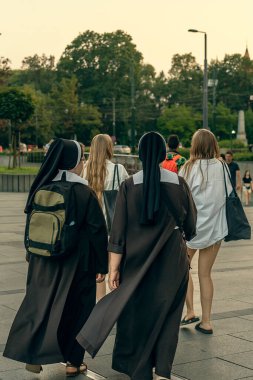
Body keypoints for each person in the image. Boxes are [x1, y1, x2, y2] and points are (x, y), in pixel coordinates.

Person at [77, 132, 197, 380]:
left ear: (140, 154)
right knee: (168, 318)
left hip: (135, 262)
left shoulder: (129, 186)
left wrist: (114, 269)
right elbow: (192, 226)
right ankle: (163, 371)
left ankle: (139, 370)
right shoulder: (179, 183)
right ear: (164, 154)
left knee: (136, 315)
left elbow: (118, 234)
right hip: (173, 262)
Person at [3, 138, 108, 377]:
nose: (83, 163)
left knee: (39, 305)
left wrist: (32, 255)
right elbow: (97, 231)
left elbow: (31, 225)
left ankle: (33, 353)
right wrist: (101, 265)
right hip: (78, 263)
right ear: (71, 162)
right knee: (78, 310)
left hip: (43, 261)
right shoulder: (83, 191)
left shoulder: (42, 186)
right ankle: (73, 361)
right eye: (81, 158)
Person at [180, 129, 232, 334]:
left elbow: (180, 197)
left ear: (195, 146)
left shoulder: (188, 167)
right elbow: (228, 195)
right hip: (215, 229)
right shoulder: (222, 167)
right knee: (205, 275)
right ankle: (207, 321)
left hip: (190, 230)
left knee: (183, 270)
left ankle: (191, 310)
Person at [83, 134, 129, 301]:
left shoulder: (85, 169)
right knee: (115, 270)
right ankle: (114, 310)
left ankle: (98, 311)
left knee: (98, 272)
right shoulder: (119, 170)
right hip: (114, 229)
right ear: (110, 148)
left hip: (93, 230)